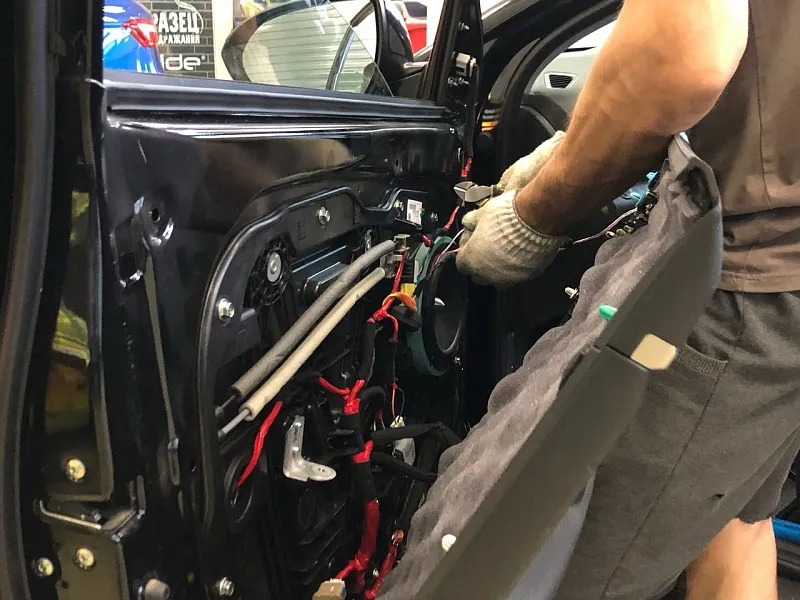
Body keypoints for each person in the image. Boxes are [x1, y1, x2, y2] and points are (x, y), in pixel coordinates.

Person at [457, 0, 798, 598]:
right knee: (733, 522)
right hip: (781, 286)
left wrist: (533, 218)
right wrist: (582, 141)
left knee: (527, 573)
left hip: (743, 291)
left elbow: (683, 54)